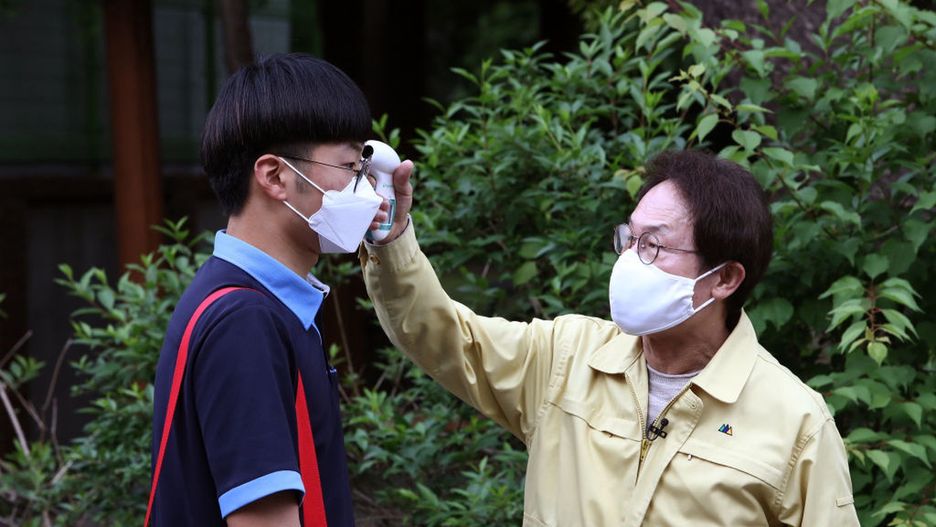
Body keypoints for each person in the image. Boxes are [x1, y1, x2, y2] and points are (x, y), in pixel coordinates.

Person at [362, 150, 860, 526]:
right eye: (630, 238)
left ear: (725, 278)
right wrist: (391, 237)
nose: (628, 260)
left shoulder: (796, 422)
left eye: (654, 245)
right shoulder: (567, 357)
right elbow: (443, 335)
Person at [150, 53, 402, 526]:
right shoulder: (245, 322)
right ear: (275, 176)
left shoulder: (258, 304)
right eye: (351, 167)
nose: (366, 189)